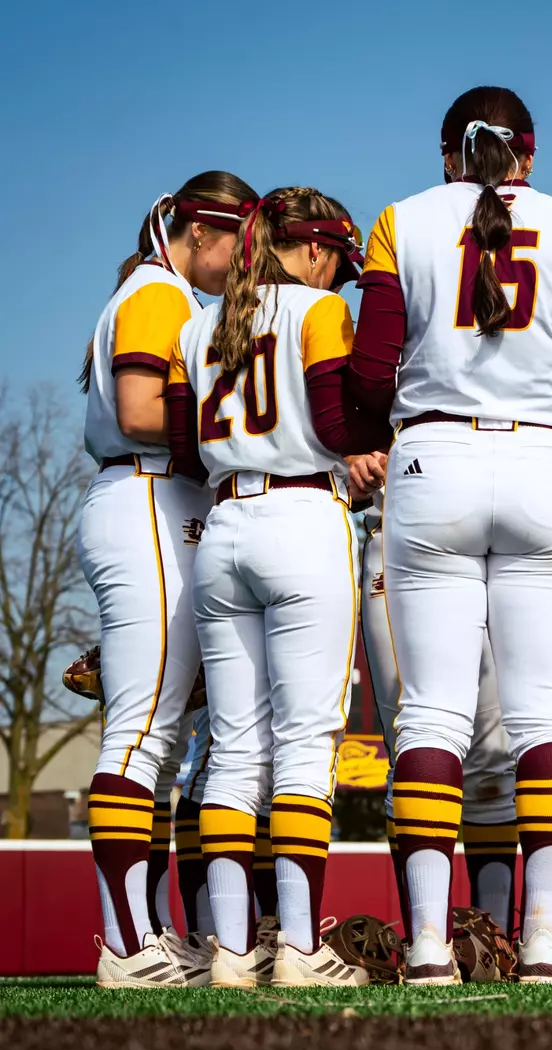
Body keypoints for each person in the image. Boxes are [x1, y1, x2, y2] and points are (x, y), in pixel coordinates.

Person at [351, 86, 552, 984]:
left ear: (447, 152)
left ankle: (431, 945)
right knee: (548, 713)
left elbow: (368, 371)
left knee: (430, 713)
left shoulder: (400, 219)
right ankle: (545, 941)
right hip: (546, 462)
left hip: (432, 457)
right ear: (531, 154)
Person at [166, 186, 385, 988]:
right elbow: (335, 428)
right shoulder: (316, 310)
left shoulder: (197, 325)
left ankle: (227, 951)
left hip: (224, 528)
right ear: (318, 250)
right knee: (302, 745)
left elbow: (188, 455)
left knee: (232, 750)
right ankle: (295, 948)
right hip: (300, 516)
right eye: (337, 260)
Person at [79, 171, 259, 987]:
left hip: (163, 501)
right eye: (239, 243)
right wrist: (244, 425)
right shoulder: (157, 292)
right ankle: (124, 944)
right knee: (144, 726)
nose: (244, 261)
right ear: (198, 232)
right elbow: (139, 410)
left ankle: (146, 931)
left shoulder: (170, 295)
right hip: (147, 493)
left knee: (163, 736)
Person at [360, 494, 518, 935]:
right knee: (413, 746)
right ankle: (424, 939)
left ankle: (497, 937)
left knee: (493, 763)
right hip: (398, 528)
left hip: (503, 536)